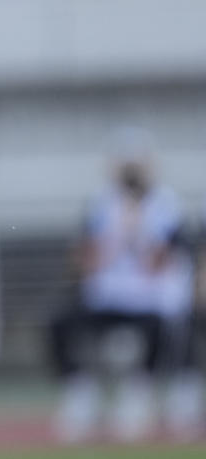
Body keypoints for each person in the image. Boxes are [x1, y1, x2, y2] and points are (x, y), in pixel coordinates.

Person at [49, 129, 196, 443]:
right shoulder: (102, 204)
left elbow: (163, 259)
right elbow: (83, 257)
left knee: (160, 329)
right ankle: (81, 395)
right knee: (60, 322)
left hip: (150, 299)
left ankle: (138, 397)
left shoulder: (165, 205)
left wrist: (139, 231)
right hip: (109, 296)